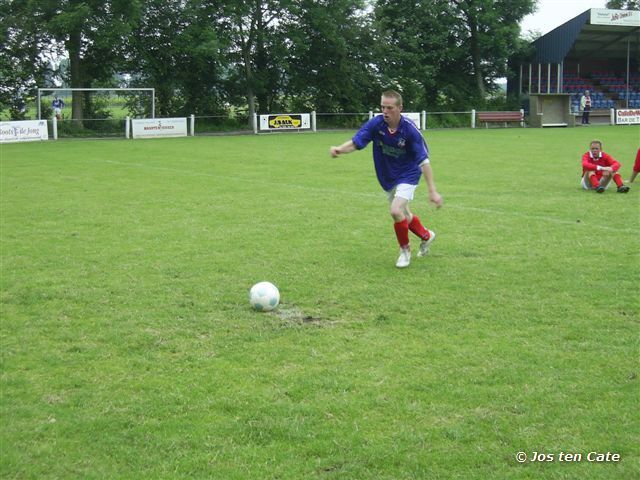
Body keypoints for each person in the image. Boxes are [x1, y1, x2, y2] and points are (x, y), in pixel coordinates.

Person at [329, 90, 443, 268]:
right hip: (387, 176)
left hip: (409, 173)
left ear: (400, 108)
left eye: (389, 107)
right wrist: (340, 149)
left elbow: (424, 161)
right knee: (404, 214)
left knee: (395, 210)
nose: (385, 111)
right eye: (383, 107)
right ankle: (427, 236)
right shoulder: (377, 124)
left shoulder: (410, 130)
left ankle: (405, 251)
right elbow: (356, 142)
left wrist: (432, 191)